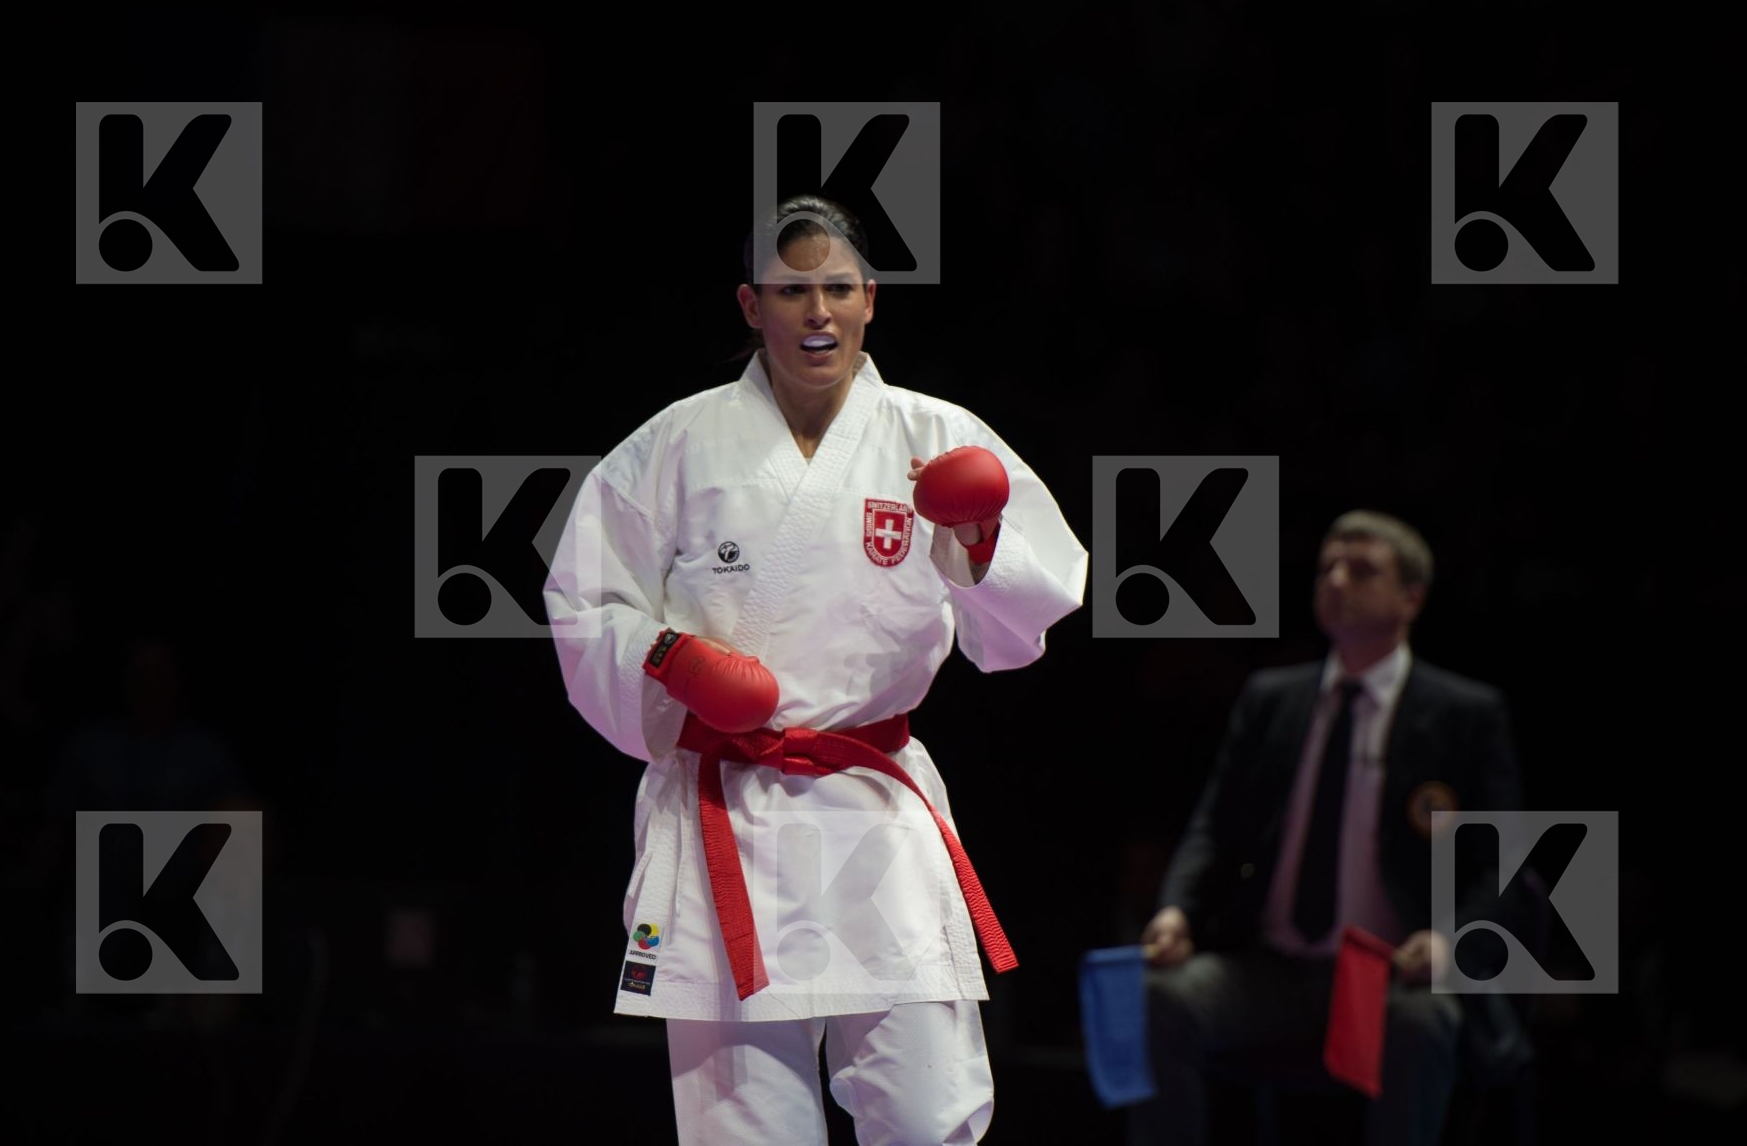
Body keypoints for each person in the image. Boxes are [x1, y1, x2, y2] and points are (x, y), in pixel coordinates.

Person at [544, 194, 1088, 1145]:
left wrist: (981, 538)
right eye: (792, 291)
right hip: (725, 809)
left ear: (871, 300)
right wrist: (669, 656)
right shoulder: (676, 443)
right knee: (747, 1128)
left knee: (928, 1113)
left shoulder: (932, 436)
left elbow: (1039, 604)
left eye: (837, 288)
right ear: (751, 305)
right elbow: (583, 598)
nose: (817, 312)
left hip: (872, 812)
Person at [1132, 511, 1531, 1146]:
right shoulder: (1273, 699)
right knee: (1162, 999)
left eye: (1362, 569)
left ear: (1412, 597)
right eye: (1327, 569)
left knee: (1423, 1024)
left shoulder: (1465, 713)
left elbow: (1507, 863)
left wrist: (1449, 944)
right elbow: (1214, 825)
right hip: (1272, 968)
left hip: (1390, 975)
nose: (1337, 579)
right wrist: (1178, 910)